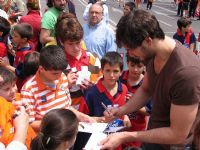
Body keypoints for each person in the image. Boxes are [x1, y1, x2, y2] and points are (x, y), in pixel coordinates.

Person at [100, 10, 200, 150]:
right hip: (153, 137)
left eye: (130, 49)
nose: (129, 54)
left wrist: (128, 136)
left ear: (147, 40)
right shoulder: (152, 52)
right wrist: (122, 110)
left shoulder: (186, 73)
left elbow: (178, 134)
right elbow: (146, 89)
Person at [20, 45, 95, 132]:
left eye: (61, 72)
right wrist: (58, 125)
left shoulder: (62, 77)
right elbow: (29, 124)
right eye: (55, 73)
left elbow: (66, 107)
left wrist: (82, 117)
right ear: (41, 68)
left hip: (67, 133)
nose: (59, 76)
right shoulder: (29, 90)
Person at [55, 12, 102, 109]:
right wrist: (66, 83)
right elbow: (51, 91)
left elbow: (100, 81)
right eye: (71, 44)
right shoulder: (58, 63)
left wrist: (93, 86)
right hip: (70, 113)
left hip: (91, 110)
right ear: (61, 42)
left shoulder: (92, 58)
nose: (76, 48)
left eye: (78, 42)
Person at [0, 66, 36, 149]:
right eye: (7, 89)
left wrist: (26, 109)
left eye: (13, 85)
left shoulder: (18, 97)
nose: (13, 90)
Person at [120, 51, 149, 149]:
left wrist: (134, 104)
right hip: (118, 128)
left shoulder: (147, 83)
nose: (135, 69)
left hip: (137, 132)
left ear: (144, 66)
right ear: (127, 63)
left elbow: (148, 112)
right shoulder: (119, 77)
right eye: (132, 65)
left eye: (139, 66)